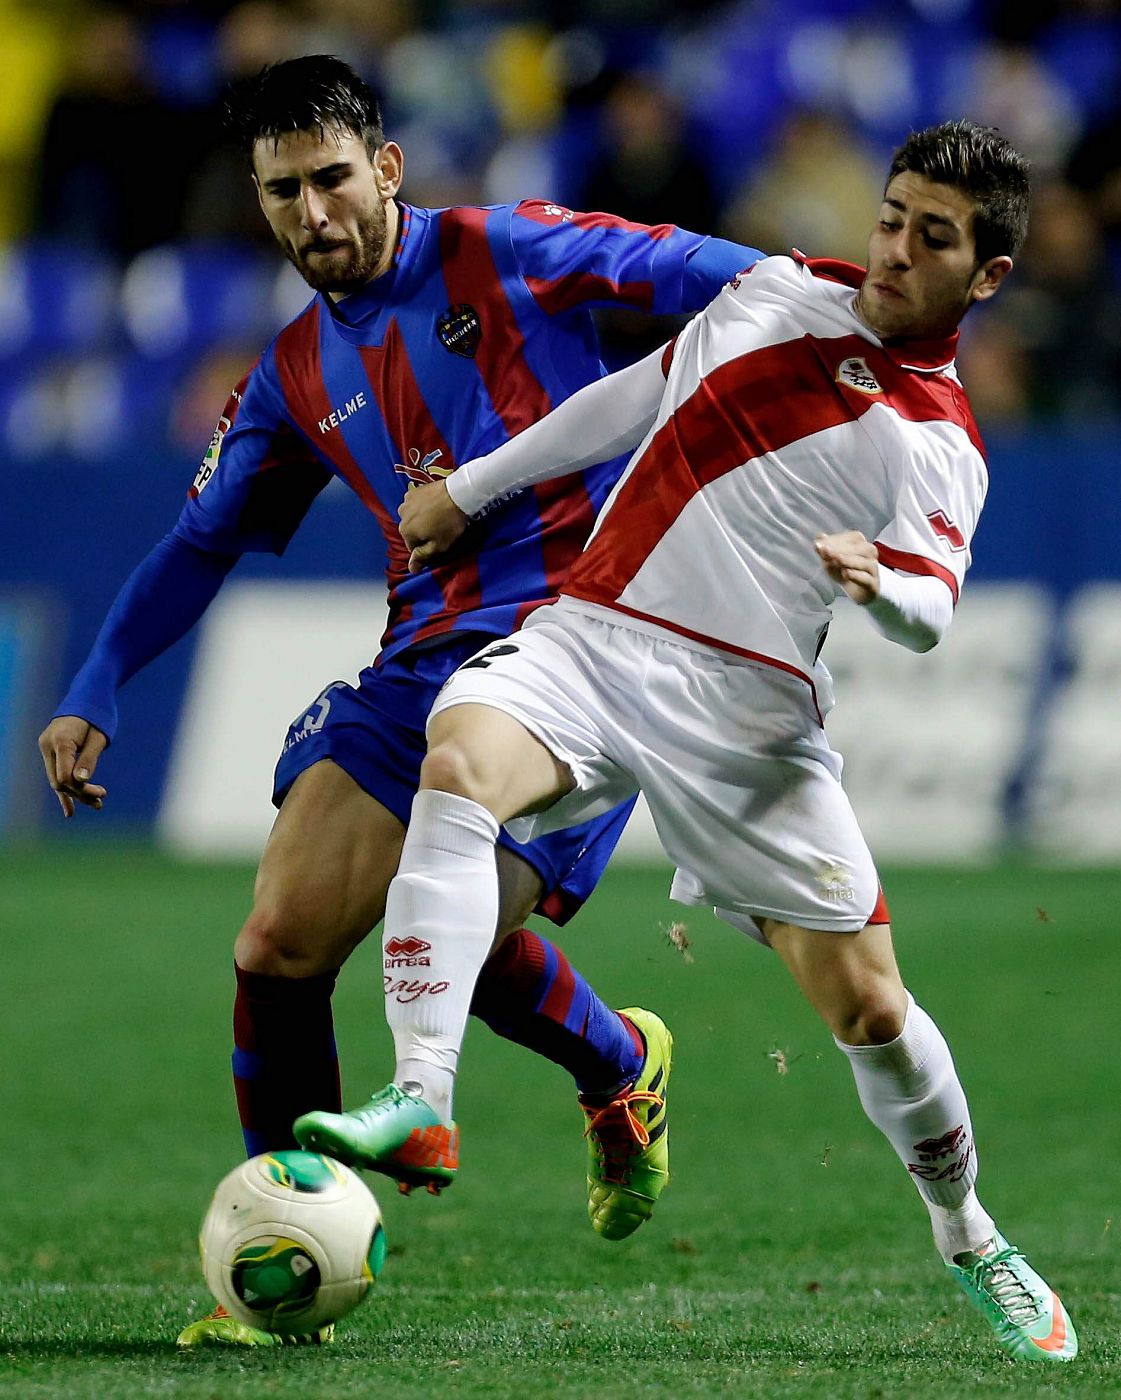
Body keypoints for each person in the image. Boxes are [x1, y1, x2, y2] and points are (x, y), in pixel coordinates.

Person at [297, 121, 1078, 1364]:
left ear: (983, 276)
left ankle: (966, 1229)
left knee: (870, 1007)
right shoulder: (776, 286)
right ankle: (422, 1098)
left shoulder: (936, 439)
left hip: (745, 723)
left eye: (932, 238)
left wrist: (880, 589)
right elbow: (635, 395)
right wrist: (477, 482)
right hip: (597, 637)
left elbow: (931, 608)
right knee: (458, 761)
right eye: (890, 216)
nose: (893, 248)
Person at [36, 56, 762, 1347]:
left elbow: (737, 287)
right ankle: (282, 1258)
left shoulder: (519, 251)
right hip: (416, 664)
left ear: (386, 167)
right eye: (281, 191)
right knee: (277, 946)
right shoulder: (295, 370)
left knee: (460, 943)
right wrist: (98, 681)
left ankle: (616, 1066)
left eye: (330, 178)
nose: (312, 212)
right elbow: (199, 542)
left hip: (576, 657)